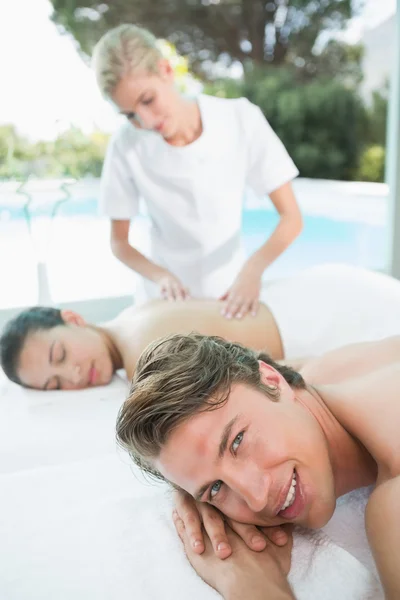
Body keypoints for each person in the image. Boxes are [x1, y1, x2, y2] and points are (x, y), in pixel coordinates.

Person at [116, 332, 400, 600]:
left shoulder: (391, 505)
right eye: (216, 487)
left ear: (273, 381)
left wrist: (252, 584)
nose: (256, 498)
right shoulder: (318, 373)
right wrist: (189, 483)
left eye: (237, 442)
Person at [92, 24, 302, 316]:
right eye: (130, 115)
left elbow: (291, 218)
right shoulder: (126, 145)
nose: (147, 122)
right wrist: (160, 276)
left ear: (166, 70)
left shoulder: (240, 119)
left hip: (232, 296)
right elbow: (119, 242)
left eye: (148, 100)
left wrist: (252, 271)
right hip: (164, 303)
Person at [2, 263, 400, 390]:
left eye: (61, 354)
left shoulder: (146, 358)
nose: (71, 374)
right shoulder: (136, 310)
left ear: (73, 318)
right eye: (55, 384)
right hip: (318, 285)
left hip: (329, 320)